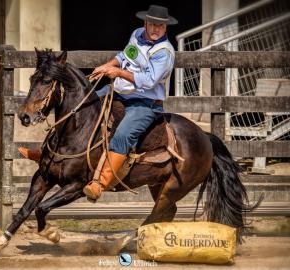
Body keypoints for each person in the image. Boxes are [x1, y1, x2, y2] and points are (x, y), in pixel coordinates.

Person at [19, 5, 178, 201]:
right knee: (80, 105)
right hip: (120, 92)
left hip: (146, 103)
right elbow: (124, 56)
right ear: (145, 23)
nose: (155, 29)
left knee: (122, 135)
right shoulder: (137, 34)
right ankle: (47, 154)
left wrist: (118, 73)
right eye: (152, 24)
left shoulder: (164, 52)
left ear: (165, 28)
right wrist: (108, 66)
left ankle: (99, 183)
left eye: (160, 26)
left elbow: (149, 80)